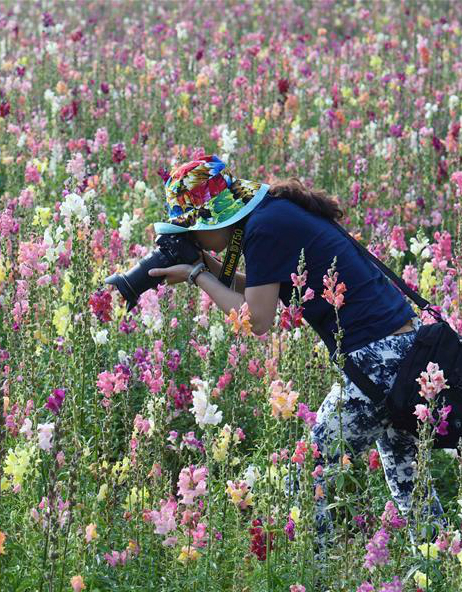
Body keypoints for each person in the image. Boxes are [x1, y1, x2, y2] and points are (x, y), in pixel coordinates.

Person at [148, 154, 444, 544]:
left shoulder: (265, 229)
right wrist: (203, 263)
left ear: (212, 220)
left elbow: (257, 318)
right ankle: (439, 562)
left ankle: (315, 577)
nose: (194, 238)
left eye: (194, 231)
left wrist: (197, 274)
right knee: (410, 482)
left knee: (305, 477)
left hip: (376, 362)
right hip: (404, 352)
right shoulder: (274, 215)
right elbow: (256, 290)